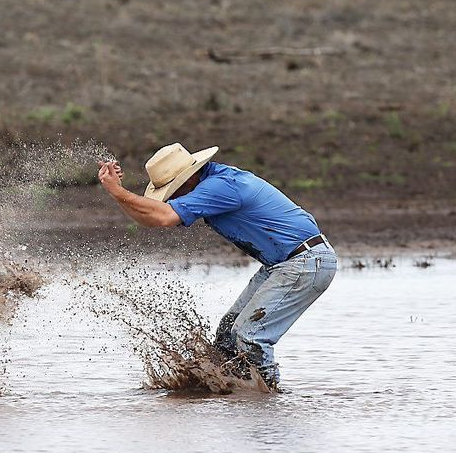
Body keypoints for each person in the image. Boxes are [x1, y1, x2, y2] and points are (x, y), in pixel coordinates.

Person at [97, 143, 337, 388]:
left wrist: (118, 192)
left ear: (188, 179)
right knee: (227, 334)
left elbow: (163, 216)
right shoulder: (211, 182)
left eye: (172, 191)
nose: (171, 197)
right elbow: (152, 219)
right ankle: (232, 391)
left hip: (305, 262)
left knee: (250, 336)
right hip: (286, 263)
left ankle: (267, 401)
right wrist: (118, 192)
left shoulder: (220, 187)